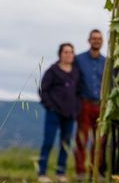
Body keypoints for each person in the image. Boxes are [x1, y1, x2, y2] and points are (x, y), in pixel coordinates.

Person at [38, 43, 81, 183]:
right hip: (54, 112)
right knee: (48, 142)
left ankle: (60, 173)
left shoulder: (75, 71)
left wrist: (76, 108)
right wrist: (50, 106)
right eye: (66, 52)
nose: (69, 55)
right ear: (60, 54)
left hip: (70, 114)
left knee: (65, 144)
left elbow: (78, 91)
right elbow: (43, 90)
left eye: (71, 52)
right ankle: (42, 173)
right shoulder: (53, 70)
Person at [74, 29, 106, 177]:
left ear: (102, 41)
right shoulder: (79, 59)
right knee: (82, 139)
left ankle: (95, 171)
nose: (96, 41)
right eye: (94, 38)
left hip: (100, 105)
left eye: (99, 39)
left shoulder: (106, 62)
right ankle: (80, 172)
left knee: (99, 140)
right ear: (89, 40)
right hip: (84, 103)